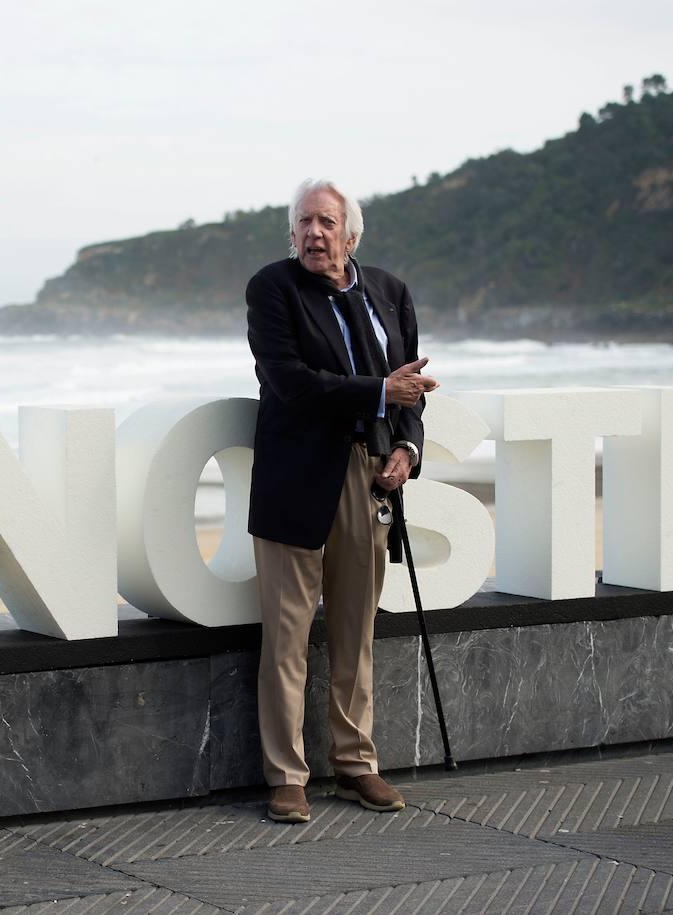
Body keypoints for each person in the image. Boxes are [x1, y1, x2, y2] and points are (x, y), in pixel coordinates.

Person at [246, 178, 437, 823]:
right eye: (303, 223)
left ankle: (357, 765)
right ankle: (286, 777)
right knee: (288, 636)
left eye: (326, 223)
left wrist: (407, 447)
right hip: (295, 479)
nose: (313, 234)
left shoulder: (390, 292)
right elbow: (291, 383)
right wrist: (380, 394)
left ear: (351, 235)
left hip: (368, 478)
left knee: (357, 630)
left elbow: (410, 387)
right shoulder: (272, 289)